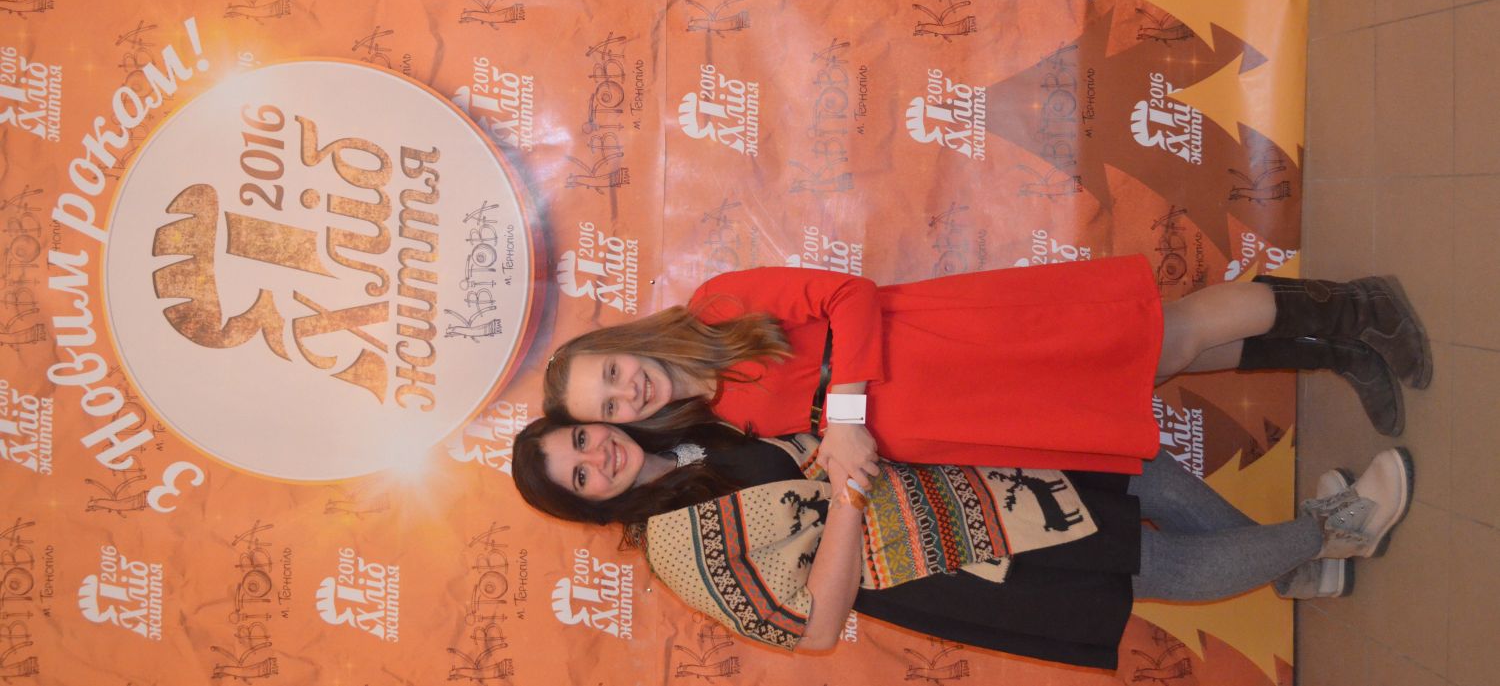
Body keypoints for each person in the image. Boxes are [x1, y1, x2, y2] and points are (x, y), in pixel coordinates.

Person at [511, 416, 1414, 669]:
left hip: (950, 479)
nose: (598, 455)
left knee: (1137, 470)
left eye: (580, 439)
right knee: (1149, 562)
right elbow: (811, 626)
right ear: (588, 505)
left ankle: (1302, 564)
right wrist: (849, 492)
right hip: (947, 562)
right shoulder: (675, 548)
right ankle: (1337, 530)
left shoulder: (688, 433)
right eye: (579, 475)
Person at [543, 261, 1429, 496]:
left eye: (612, 372)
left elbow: (851, 295)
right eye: (610, 406)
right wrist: (827, 442)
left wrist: (841, 413)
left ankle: (1359, 308)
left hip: (959, 344)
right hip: (952, 409)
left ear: (622, 342)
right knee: (1153, 371)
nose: (628, 392)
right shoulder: (709, 416)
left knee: (1170, 331)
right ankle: (1335, 350)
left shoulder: (716, 304)